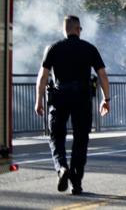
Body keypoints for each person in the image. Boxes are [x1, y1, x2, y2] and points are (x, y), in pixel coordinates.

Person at [35, 15, 110, 195]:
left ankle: (61, 168)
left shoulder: (53, 48)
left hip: (60, 97)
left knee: (56, 136)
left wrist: (38, 99)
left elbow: (43, 76)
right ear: (78, 29)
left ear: (65, 29)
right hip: (82, 98)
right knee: (81, 139)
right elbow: (103, 76)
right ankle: (76, 183)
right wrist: (106, 99)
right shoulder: (90, 48)